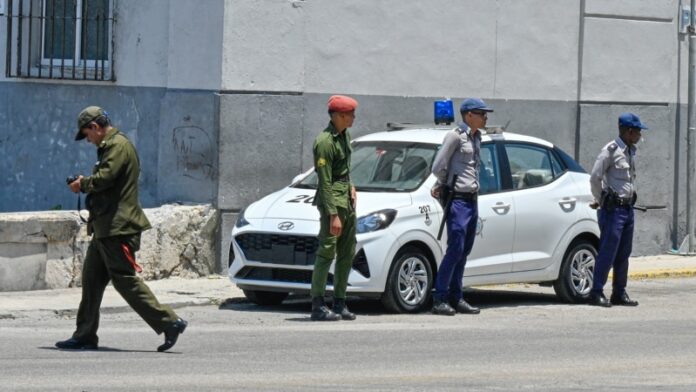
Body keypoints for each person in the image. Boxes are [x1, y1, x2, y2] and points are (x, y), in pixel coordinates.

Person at [55, 106, 188, 351]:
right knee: (91, 281)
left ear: (95, 127)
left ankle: (170, 322)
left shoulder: (116, 146)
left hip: (118, 228)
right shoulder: (112, 146)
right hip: (106, 228)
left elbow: (105, 178)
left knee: (125, 279)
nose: (88, 139)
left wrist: (82, 184)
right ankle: (85, 335)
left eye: (87, 134)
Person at [430, 98, 492, 316]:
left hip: (472, 199)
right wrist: (446, 183)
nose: (485, 117)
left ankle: (456, 297)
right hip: (457, 199)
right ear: (469, 115)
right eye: (481, 113)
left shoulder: (476, 137)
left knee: (464, 250)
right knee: (455, 248)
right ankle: (439, 298)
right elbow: (438, 165)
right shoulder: (455, 136)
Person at [588, 113, 646, 307]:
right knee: (608, 251)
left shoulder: (631, 151)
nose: (639, 135)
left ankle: (619, 292)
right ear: (629, 131)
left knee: (623, 253)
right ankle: (596, 292)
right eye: (638, 131)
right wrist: (601, 199)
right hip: (613, 210)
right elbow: (595, 177)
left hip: (628, 209)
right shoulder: (610, 150)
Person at [309, 95, 359, 321]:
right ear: (339, 116)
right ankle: (318, 305)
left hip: (346, 201)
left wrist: (351, 186)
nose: (353, 118)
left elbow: (343, 171)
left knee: (347, 252)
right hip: (333, 205)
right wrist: (332, 215)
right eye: (350, 114)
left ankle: (340, 302)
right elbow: (325, 181)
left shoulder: (344, 136)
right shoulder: (325, 142)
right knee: (327, 252)